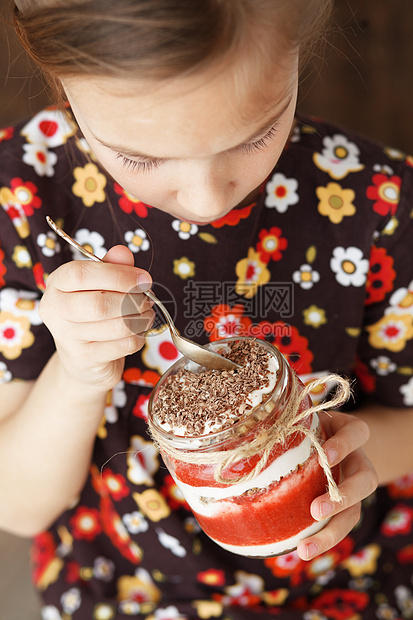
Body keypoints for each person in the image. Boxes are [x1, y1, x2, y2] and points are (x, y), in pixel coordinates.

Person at [0, 0, 412, 618]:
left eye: (257, 134)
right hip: (126, 585)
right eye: (140, 157)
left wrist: (347, 453)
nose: (204, 198)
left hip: (347, 581)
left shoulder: (376, 204)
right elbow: (19, 503)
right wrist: (78, 373)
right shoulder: (24, 198)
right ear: (61, 80)